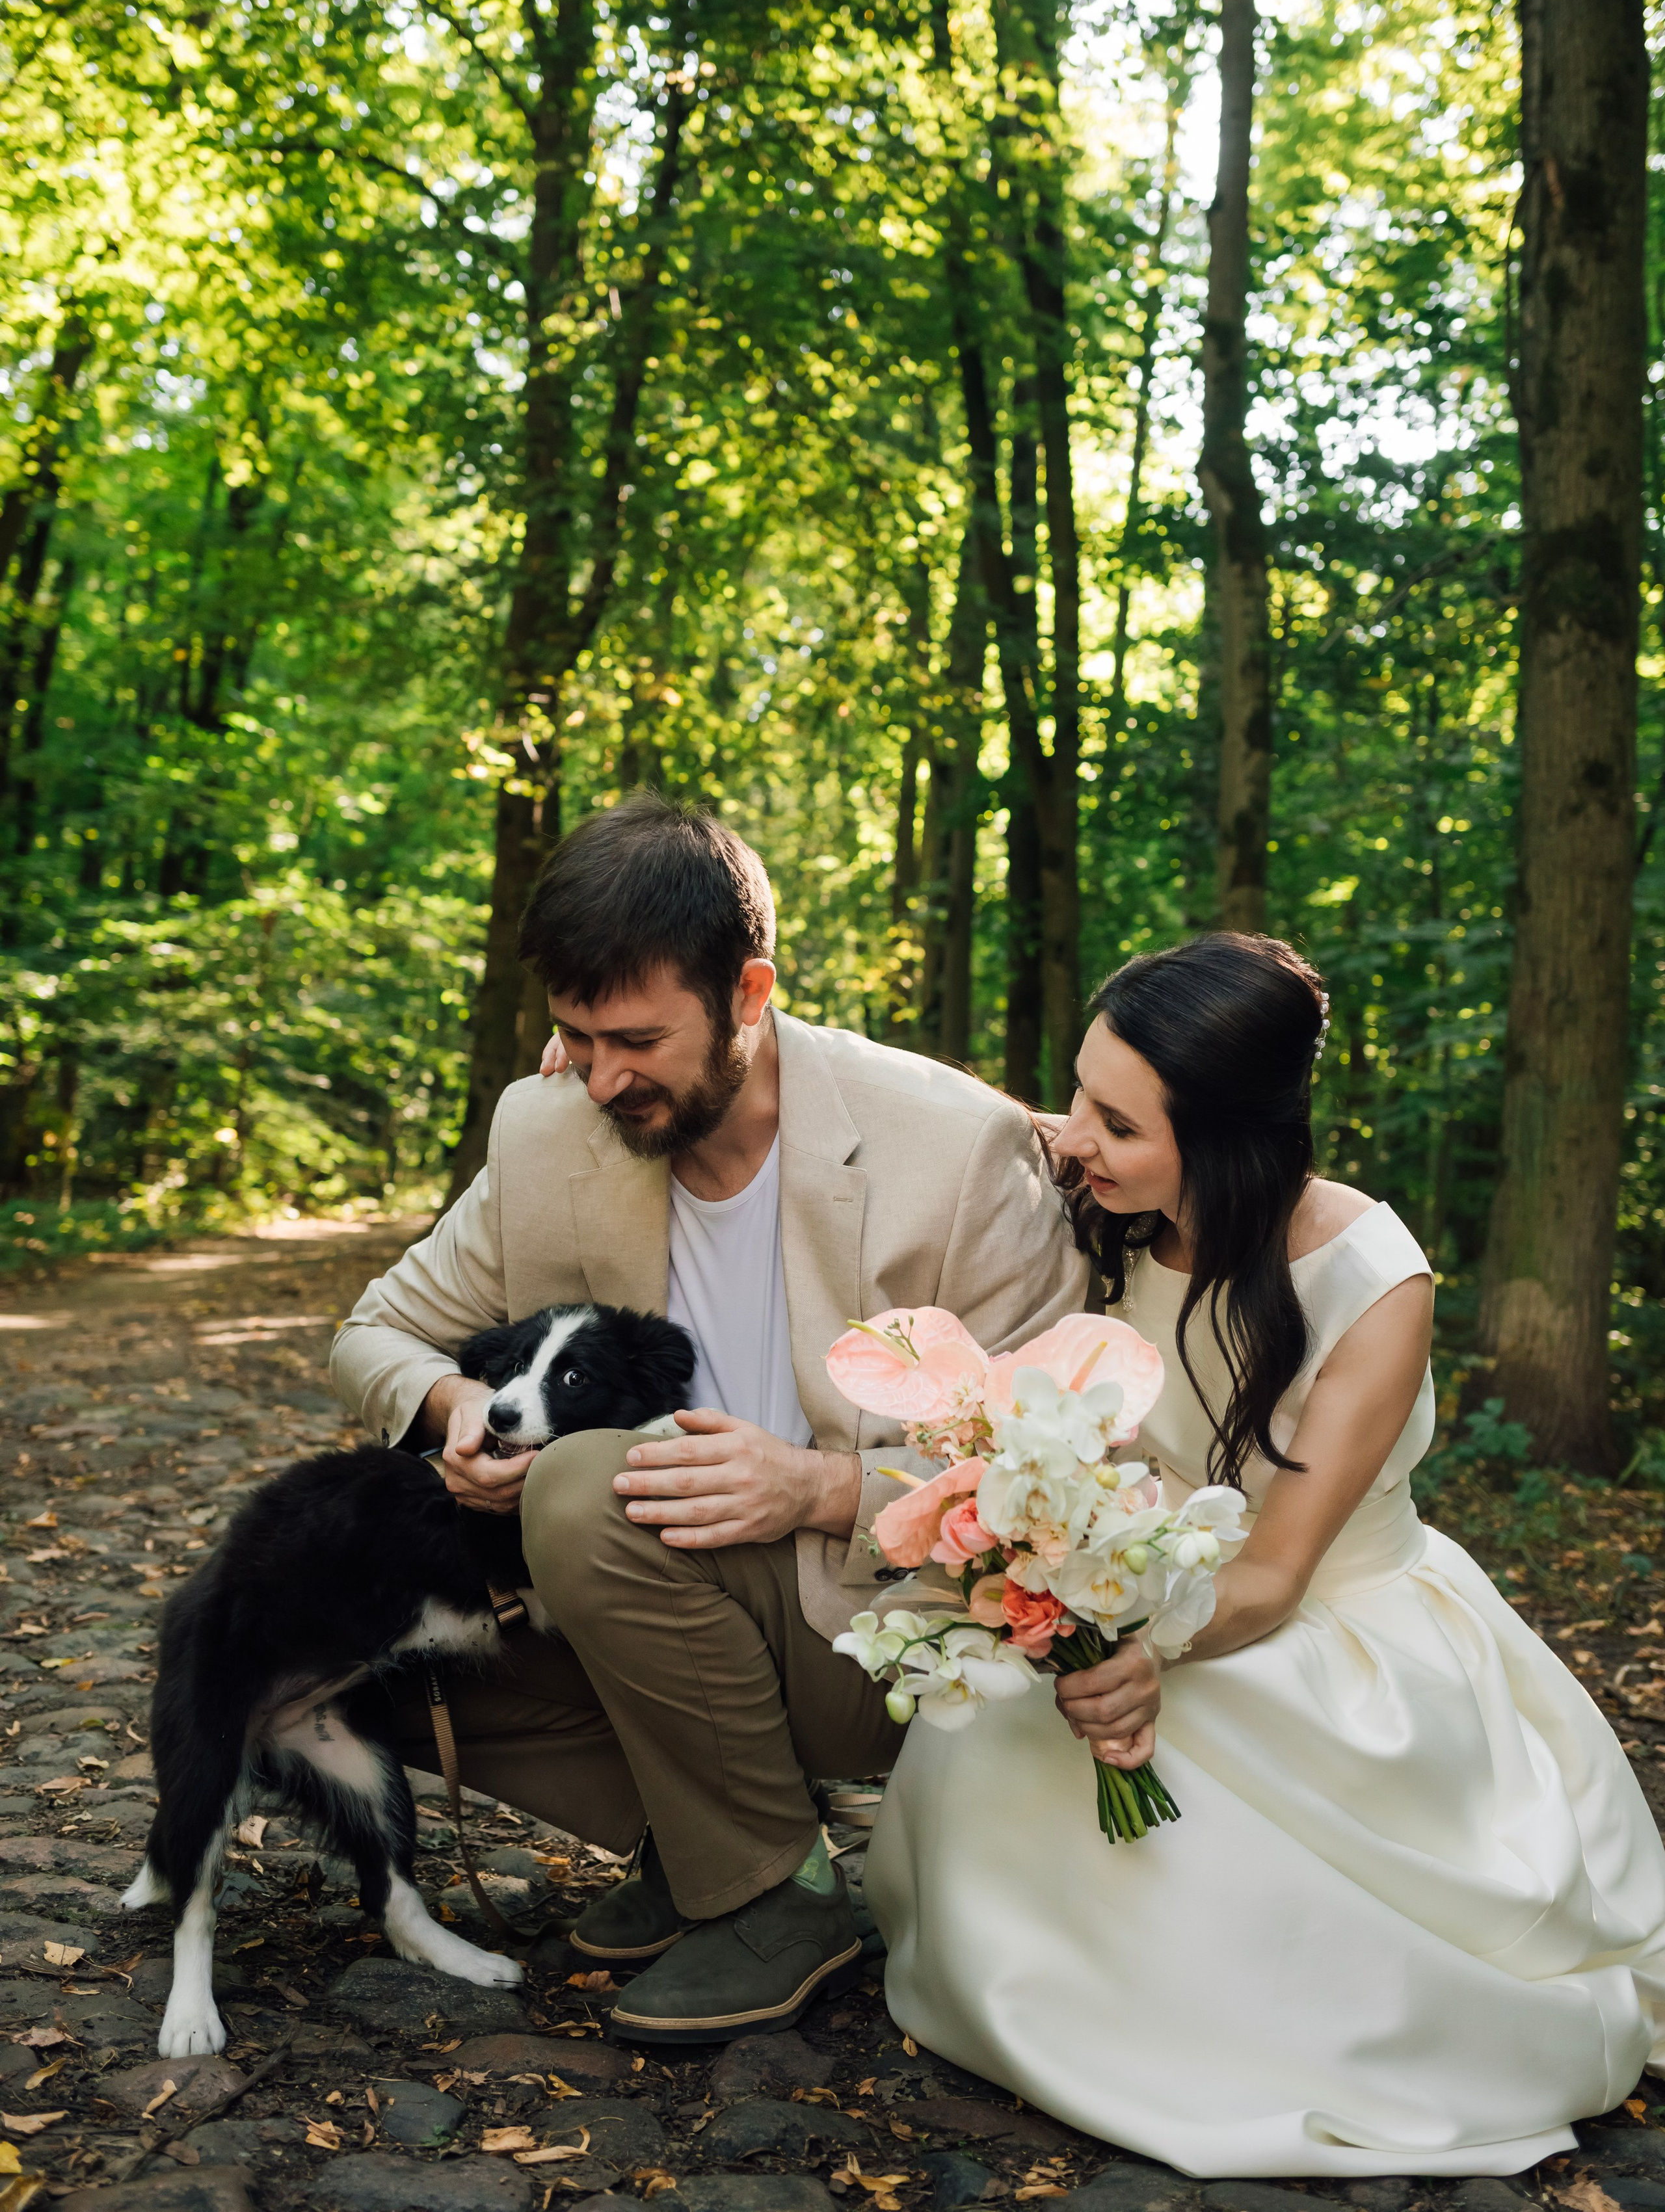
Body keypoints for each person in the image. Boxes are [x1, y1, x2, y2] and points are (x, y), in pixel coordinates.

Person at [868, 931, 1665, 2178]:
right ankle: (1045, 1988)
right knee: (1013, 1729)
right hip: (1146, 1579)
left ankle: (1221, 2016)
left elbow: (1276, 1577)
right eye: (1080, 1090)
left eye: (1116, 1122)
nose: (1075, 1134)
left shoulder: (1373, 1280)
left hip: (1320, 1627)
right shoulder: (1112, 1182)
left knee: (1157, 1776)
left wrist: (1134, 1647)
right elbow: (920, 1098)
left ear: (1228, 1140)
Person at [330, 793, 1084, 2040]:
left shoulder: (952, 1152)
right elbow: (375, 1331)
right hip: (644, 1616)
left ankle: (776, 1895)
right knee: (331, 1642)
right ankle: (703, 1850)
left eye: (634, 1039)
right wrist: (460, 1408)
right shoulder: (550, 1124)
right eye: (574, 1035)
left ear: (749, 993)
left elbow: (1069, 1472)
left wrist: (822, 1487)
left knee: (581, 1489)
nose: (599, 1076)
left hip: (876, 1638)